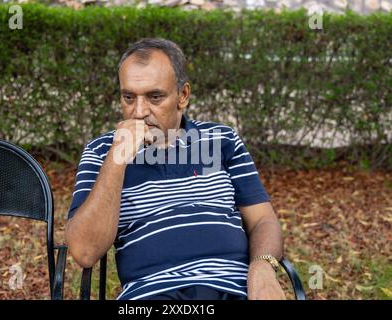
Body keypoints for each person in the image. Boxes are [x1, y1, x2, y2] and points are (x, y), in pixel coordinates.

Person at [65, 38, 286, 300]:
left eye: (154, 97)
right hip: (151, 295)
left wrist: (262, 266)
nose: (138, 112)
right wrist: (117, 158)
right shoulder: (101, 152)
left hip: (234, 288)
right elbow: (85, 251)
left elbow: (263, 219)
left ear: (183, 96)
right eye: (128, 97)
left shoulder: (222, 140)